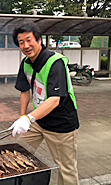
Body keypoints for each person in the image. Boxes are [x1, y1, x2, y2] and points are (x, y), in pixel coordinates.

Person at [10, 21, 79, 185]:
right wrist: (22, 116)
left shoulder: (55, 62)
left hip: (61, 123)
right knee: (18, 152)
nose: (26, 45)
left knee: (66, 169)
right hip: (39, 120)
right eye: (21, 42)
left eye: (29, 40)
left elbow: (55, 100)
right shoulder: (26, 63)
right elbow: (25, 90)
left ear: (39, 40)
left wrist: (28, 119)